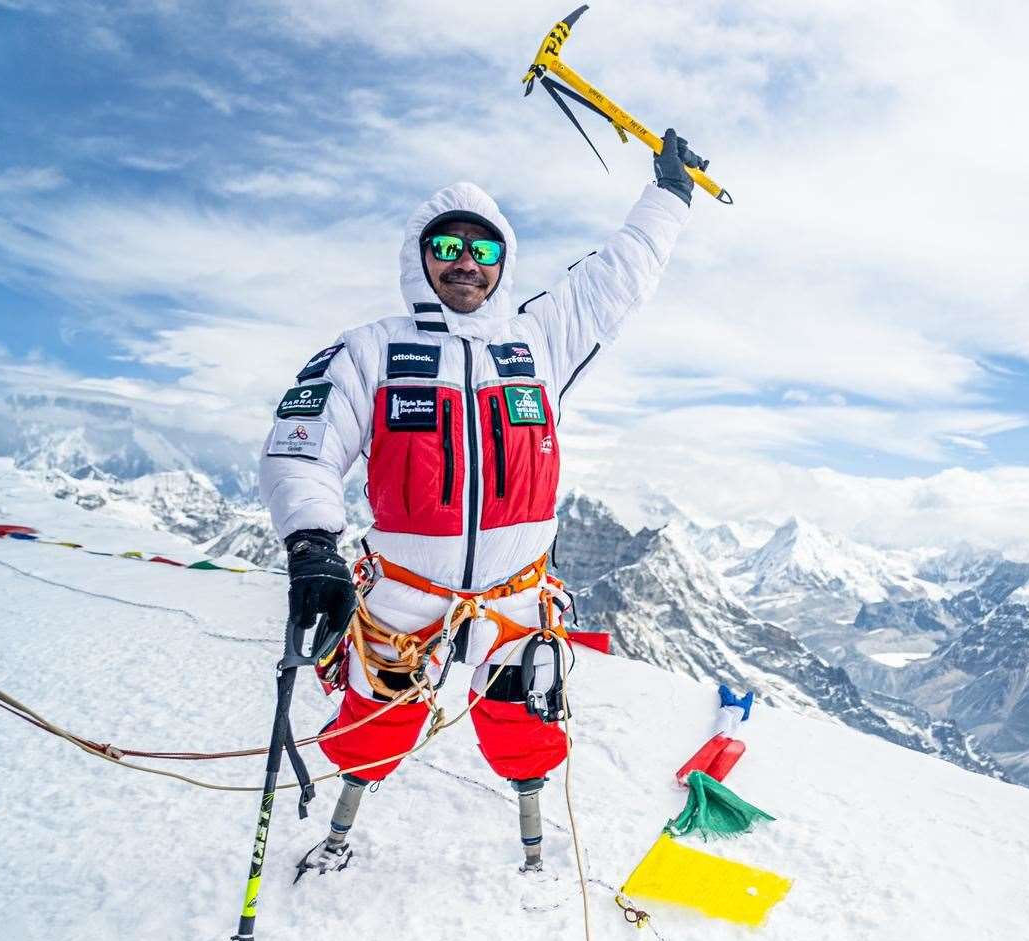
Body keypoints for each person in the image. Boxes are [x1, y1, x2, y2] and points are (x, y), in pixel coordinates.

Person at [259, 130, 702, 877]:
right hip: (403, 594)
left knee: (525, 723)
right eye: (449, 248)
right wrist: (312, 545)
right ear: (419, 258)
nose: (467, 263)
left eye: (485, 251)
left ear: (503, 261)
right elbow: (301, 448)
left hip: (518, 599)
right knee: (373, 726)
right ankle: (340, 835)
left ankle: (533, 856)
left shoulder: (538, 341)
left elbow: (617, 276)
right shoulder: (367, 350)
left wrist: (670, 196)